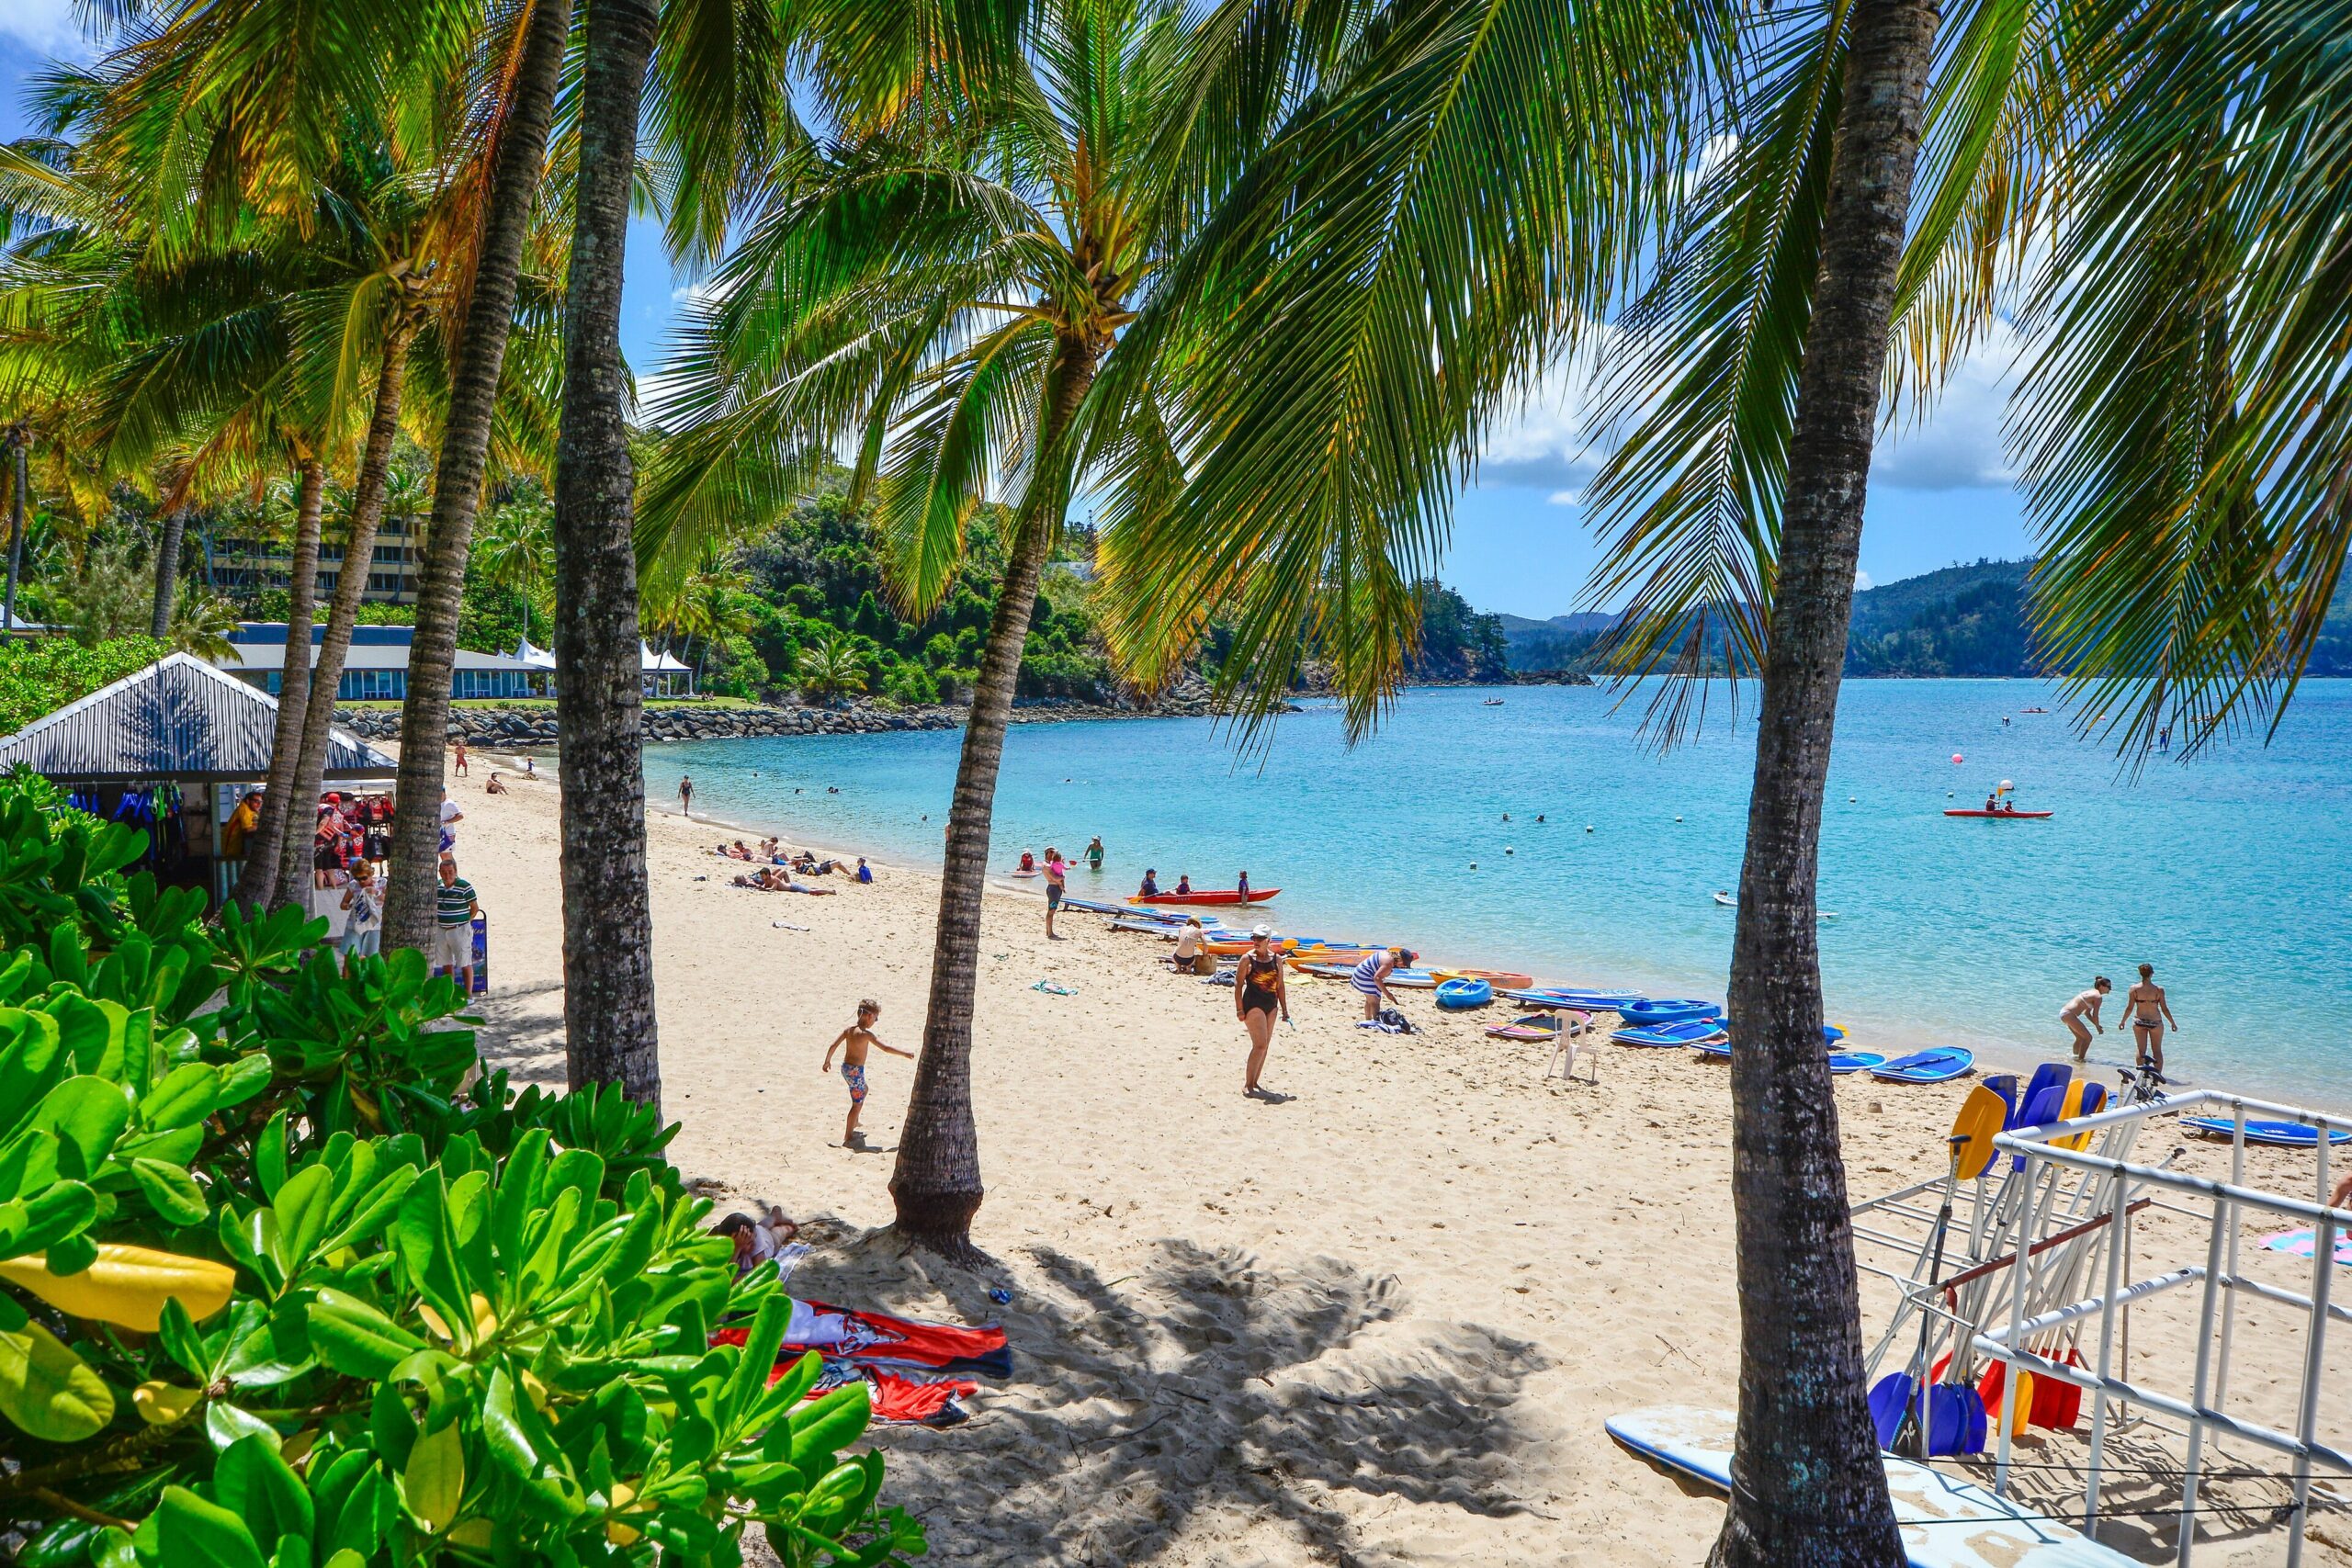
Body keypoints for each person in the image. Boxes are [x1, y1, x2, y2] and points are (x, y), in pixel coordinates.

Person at [822, 999, 912, 1147]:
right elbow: (886, 1048)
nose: (875, 1021)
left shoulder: (849, 1030)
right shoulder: (866, 1035)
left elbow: (833, 1045)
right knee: (856, 1104)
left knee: (864, 1089)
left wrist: (827, 1061)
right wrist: (904, 1053)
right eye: (876, 1018)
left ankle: (855, 1121)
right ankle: (848, 1135)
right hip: (855, 1072)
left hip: (846, 1068)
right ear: (869, 1016)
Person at [1235, 927, 1290, 1097]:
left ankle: (1255, 1081)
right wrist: (1239, 1010)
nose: (1256, 941)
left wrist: (1285, 1010)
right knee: (1259, 1045)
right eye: (1254, 937)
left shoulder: (1277, 959)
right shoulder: (1247, 959)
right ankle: (1248, 1085)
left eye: (1260, 938)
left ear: (1268, 940)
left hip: (1271, 1005)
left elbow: (1280, 985)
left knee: (1265, 1046)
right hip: (1253, 1004)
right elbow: (1238, 985)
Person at [433, 858, 480, 992]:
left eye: (450, 872)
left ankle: (469, 994)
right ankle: (450, 992)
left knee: (465, 962)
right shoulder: (438, 886)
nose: (447, 875)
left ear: (456, 872)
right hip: (441, 929)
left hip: (459, 929)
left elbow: (474, 908)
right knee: (446, 964)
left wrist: (465, 922)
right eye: (444, 872)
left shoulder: (465, 886)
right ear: (440, 873)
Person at [2124, 963, 2178, 1073]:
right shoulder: (2159, 990)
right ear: (2152, 974)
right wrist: (2172, 1023)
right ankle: (2156, 1078)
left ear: (2140, 974)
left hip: (2139, 1021)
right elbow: (2164, 1009)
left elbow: (2129, 1008)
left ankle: (2141, 1074)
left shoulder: (2134, 989)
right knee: (2157, 1051)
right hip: (2155, 1022)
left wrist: (2123, 1021)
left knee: (2141, 1050)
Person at [713, 1209, 798, 1279]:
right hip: (756, 1230)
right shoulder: (720, 1239)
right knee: (762, 1226)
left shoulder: (755, 1240)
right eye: (749, 1243)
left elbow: (760, 1273)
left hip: (768, 1240)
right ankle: (774, 1217)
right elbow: (727, 1274)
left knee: (780, 1232)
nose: (753, 1245)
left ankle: (776, 1217)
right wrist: (737, 1248)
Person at [1351, 946, 1417, 1021]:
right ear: (1400, 960)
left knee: (1370, 999)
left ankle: (1368, 1020)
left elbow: (1378, 972)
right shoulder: (1389, 962)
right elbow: (1377, 978)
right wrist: (1388, 994)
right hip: (1364, 975)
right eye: (1404, 964)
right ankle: (1376, 1021)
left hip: (1361, 971)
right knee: (1375, 1001)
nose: (1404, 966)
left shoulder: (1390, 954)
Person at [2061, 976, 2111, 1062]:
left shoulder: (2092, 992)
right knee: (2088, 1038)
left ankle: (2074, 1057)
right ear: (2102, 986)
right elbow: (2095, 1015)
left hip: (2065, 1013)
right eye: (2109, 987)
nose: (2110, 989)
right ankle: (2080, 1061)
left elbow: (2087, 1013)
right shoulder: (2098, 997)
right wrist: (2097, 1027)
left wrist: (2097, 1025)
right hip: (2069, 1015)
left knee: (2080, 1038)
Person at [338, 868, 383, 962]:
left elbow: (389, 899)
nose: (361, 881)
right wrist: (351, 906)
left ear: (371, 874)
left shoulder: (381, 883)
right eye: (358, 879)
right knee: (349, 957)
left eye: (364, 878)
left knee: (372, 959)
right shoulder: (354, 886)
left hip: (375, 926)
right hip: (355, 924)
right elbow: (343, 904)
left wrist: (376, 893)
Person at [223, 791, 262, 857]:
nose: (259, 804)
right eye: (256, 801)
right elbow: (247, 829)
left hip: (239, 843)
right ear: (248, 801)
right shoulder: (244, 809)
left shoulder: (252, 809)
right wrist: (263, 826)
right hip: (232, 843)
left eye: (260, 802)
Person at [1043, 846, 1069, 938]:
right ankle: (1050, 933)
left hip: (1055, 888)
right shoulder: (1047, 865)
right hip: (1053, 889)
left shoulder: (1050, 864)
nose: (1054, 855)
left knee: (1051, 910)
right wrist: (1062, 878)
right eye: (1053, 853)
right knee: (1051, 911)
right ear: (1049, 853)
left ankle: (1048, 931)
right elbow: (1056, 878)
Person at [438, 789, 462, 854]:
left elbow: (460, 816)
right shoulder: (437, 803)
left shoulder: (449, 803)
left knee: (446, 855)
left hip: (448, 833)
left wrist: (447, 822)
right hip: (440, 833)